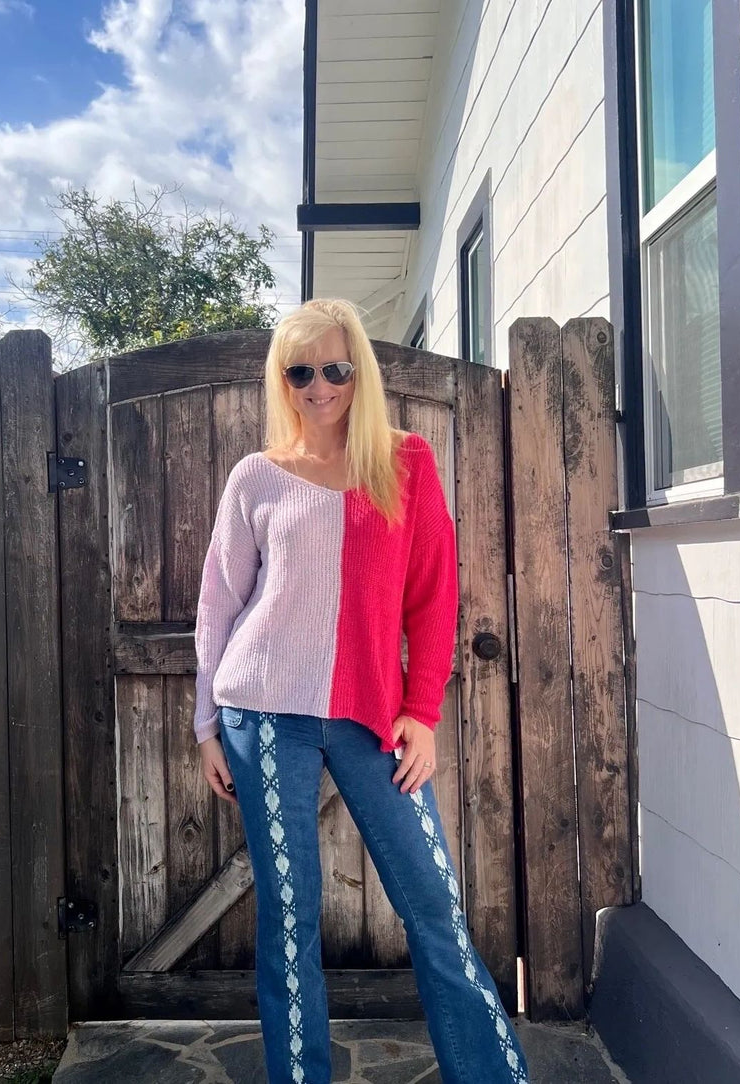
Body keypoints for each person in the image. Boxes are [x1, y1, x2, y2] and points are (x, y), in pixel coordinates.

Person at [193, 298, 532, 1084]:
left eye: (335, 369)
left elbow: (432, 597)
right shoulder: (256, 476)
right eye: (300, 371)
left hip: (373, 717)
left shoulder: (405, 461)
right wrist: (207, 722)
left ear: (360, 372)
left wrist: (421, 713)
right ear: (282, 379)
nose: (319, 386)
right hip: (262, 716)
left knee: (434, 908)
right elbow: (220, 600)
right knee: (288, 921)